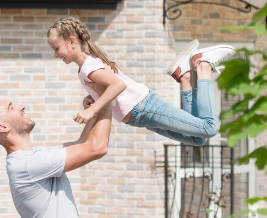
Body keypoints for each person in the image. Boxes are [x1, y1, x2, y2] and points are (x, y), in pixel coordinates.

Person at [47, 17, 236, 146]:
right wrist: (92, 98)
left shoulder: (89, 66)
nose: (55, 54)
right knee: (197, 139)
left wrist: (92, 110)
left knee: (208, 128)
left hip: (144, 107)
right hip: (140, 116)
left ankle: (202, 66)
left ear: (72, 41)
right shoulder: (86, 67)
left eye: (56, 48)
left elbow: (118, 85)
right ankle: (184, 76)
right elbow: (109, 86)